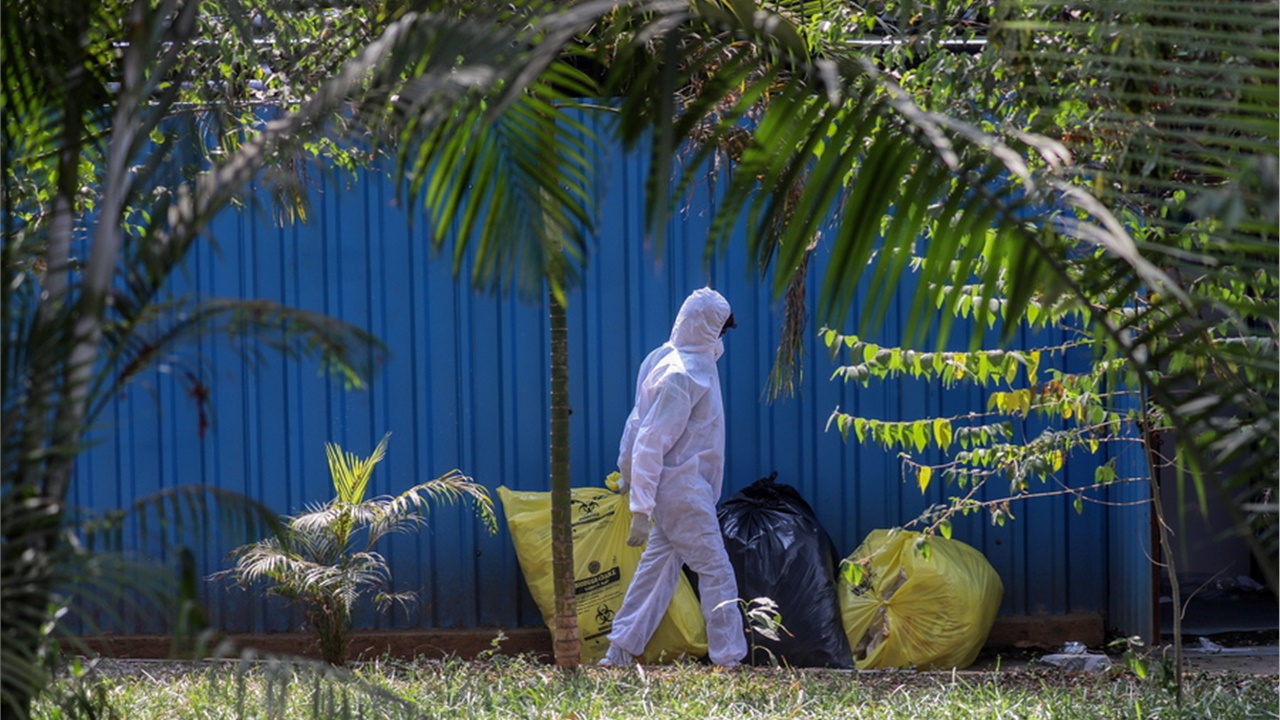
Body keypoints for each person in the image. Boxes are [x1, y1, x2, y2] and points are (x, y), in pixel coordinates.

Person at [600, 287, 747, 667]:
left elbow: (636, 427)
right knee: (716, 571)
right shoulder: (687, 374)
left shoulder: (664, 358)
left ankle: (619, 651)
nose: (723, 339)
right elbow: (651, 439)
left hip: (675, 492)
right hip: (683, 492)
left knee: (657, 572)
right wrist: (639, 507)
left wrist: (634, 482)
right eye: (721, 330)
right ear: (708, 328)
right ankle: (729, 660)